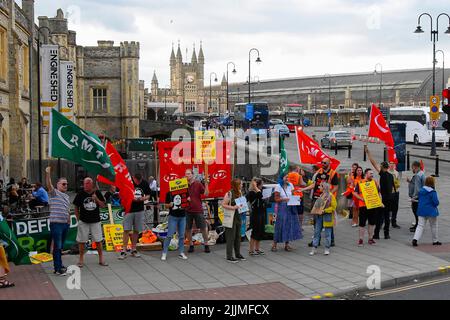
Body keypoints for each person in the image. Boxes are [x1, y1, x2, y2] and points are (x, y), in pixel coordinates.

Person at [300, 158, 339, 247]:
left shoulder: (333, 174)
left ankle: (331, 240)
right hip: (316, 199)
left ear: (329, 163)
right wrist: (303, 189)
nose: (322, 164)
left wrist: (328, 195)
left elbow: (336, 186)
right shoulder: (318, 172)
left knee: (327, 219)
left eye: (324, 163)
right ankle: (316, 240)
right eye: (322, 162)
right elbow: (314, 185)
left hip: (326, 200)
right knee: (316, 220)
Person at [73, 177, 107, 267]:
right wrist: (78, 218)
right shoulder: (80, 194)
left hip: (95, 221)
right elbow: (76, 207)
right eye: (84, 183)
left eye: (87, 183)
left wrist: (96, 199)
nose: (85, 185)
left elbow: (103, 206)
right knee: (81, 241)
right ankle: (81, 259)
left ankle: (101, 258)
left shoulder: (97, 193)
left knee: (98, 240)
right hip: (83, 221)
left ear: (92, 184)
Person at [118, 173, 151, 260]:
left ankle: (134, 249)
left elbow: (148, 195)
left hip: (139, 209)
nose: (138, 183)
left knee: (136, 230)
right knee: (126, 230)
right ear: (133, 178)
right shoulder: (128, 183)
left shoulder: (144, 183)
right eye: (137, 181)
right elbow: (121, 194)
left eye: (140, 181)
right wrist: (130, 198)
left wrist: (143, 199)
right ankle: (124, 250)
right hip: (129, 209)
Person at [45, 166, 70, 276]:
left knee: (60, 247)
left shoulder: (67, 197)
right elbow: (48, 185)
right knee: (57, 246)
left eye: (66, 184)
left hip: (65, 224)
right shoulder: (54, 192)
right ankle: (57, 268)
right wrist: (48, 174)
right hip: (56, 224)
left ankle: (59, 264)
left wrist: (68, 220)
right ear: (58, 185)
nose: (65, 185)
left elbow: (67, 209)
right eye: (63, 184)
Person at [365, 146, 394, 239]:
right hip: (390, 198)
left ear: (382, 167)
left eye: (380, 166)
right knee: (387, 217)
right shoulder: (391, 176)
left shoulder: (383, 174)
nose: (379, 168)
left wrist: (368, 153)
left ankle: (376, 234)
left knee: (379, 216)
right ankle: (387, 234)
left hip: (383, 198)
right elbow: (393, 188)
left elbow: (373, 163)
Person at [271, 173, 302, 252]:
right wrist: (284, 199)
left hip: (291, 207)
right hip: (283, 207)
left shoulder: (290, 185)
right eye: (286, 177)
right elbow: (276, 199)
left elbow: (292, 195)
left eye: (288, 177)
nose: (287, 178)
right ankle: (274, 245)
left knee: (289, 225)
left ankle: (287, 244)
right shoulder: (278, 186)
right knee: (280, 225)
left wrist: (297, 199)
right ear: (282, 178)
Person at [353, 169, 381, 246]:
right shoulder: (360, 182)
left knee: (372, 223)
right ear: (366, 174)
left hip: (373, 205)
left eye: (372, 173)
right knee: (362, 223)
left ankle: (370, 238)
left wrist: (379, 202)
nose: (372, 175)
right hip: (363, 206)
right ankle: (361, 239)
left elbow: (378, 193)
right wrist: (361, 198)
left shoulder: (374, 182)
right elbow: (355, 193)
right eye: (370, 173)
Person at [185, 168, 210, 254]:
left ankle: (206, 244)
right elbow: (179, 196)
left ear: (192, 175)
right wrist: (185, 198)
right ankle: (191, 244)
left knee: (203, 227)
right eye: (186, 174)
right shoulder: (183, 185)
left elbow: (206, 194)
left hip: (198, 209)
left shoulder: (198, 184)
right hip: (187, 210)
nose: (187, 175)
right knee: (188, 228)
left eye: (188, 174)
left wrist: (206, 184)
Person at [222, 179, 246, 263]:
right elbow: (223, 204)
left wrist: (243, 206)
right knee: (230, 237)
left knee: (237, 236)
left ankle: (237, 253)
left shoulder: (239, 192)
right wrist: (233, 207)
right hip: (231, 217)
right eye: (241, 184)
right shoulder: (229, 193)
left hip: (238, 216)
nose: (242, 185)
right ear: (236, 185)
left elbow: (241, 204)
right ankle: (229, 256)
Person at [412, 176, 441, 247]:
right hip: (431, 211)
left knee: (420, 226)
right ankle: (435, 241)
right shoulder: (432, 192)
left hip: (421, 211)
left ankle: (415, 239)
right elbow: (436, 202)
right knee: (434, 226)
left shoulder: (421, 191)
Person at [310, 182, 336, 256]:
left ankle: (327, 248)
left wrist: (325, 210)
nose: (319, 188)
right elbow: (318, 206)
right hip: (319, 217)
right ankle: (314, 248)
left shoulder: (331, 196)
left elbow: (333, 207)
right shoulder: (321, 195)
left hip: (327, 216)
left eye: (320, 186)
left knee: (327, 233)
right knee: (316, 232)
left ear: (324, 187)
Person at [161, 188, 188, 261]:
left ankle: (181, 252)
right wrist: (169, 205)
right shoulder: (169, 193)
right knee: (169, 235)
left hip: (182, 216)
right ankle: (164, 252)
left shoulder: (185, 191)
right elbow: (165, 205)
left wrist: (188, 200)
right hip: (173, 216)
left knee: (182, 235)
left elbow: (187, 201)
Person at [246, 178, 266, 256]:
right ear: (257, 185)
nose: (262, 186)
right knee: (254, 232)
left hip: (261, 213)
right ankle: (251, 250)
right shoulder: (252, 192)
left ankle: (257, 248)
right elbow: (259, 195)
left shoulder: (259, 191)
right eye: (261, 184)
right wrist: (255, 187)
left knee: (260, 231)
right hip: (255, 214)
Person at [407, 161, 425, 232]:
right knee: (417, 211)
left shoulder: (417, 175)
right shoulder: (421, 173)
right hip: (420, 196)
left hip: (417, 197)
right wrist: (410, 182)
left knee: (416, 211)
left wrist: (414, 198)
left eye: (412, 167)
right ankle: (417, 224)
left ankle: (418, 225)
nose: (412, 169)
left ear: (415, 167)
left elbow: (417, 188)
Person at [389, 161, 401, 229]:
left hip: (396, 192)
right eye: (390, 164)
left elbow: (398, 182)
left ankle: (394, 222)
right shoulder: (387, 172)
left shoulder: (396, 173)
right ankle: (386, 220)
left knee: (395, 207)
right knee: (387, 207)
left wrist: (397, 184)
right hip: (389, 192)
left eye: (393, 164)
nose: (392, 165)